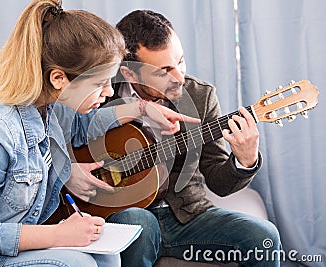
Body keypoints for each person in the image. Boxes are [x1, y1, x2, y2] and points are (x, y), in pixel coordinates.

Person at [0, 2, 198, 266]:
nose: (109, 93)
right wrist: (59, 235)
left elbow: (83, 129)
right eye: (100, 83)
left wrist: (141, 108)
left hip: (9, 249)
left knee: (109, 255)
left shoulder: (48, 106)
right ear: (59, 78)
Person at [104, 10, 282, 266]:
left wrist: (245, 159)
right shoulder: (102, 94)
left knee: (264, 236)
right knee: (137, 222)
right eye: (164, 70)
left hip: (187, 215)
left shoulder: (200, 96)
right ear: (130, 73)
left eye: (181, 62)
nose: (179, 78)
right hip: (128, 214)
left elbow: (219, 182)